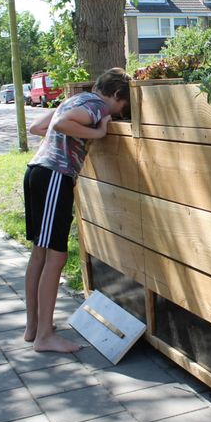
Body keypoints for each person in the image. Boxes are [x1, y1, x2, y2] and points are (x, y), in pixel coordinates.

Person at [23, 68, 131, 353]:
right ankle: (44, 336)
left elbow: (37, 127)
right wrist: (99, 131)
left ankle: (33, 327)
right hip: (54, 176)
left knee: (41, 252)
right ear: (117, 95)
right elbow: (61, 125)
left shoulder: (74, 99)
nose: (119, 113)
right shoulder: (96, 106)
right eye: (122, 107)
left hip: (36, 172)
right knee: (56, 256)